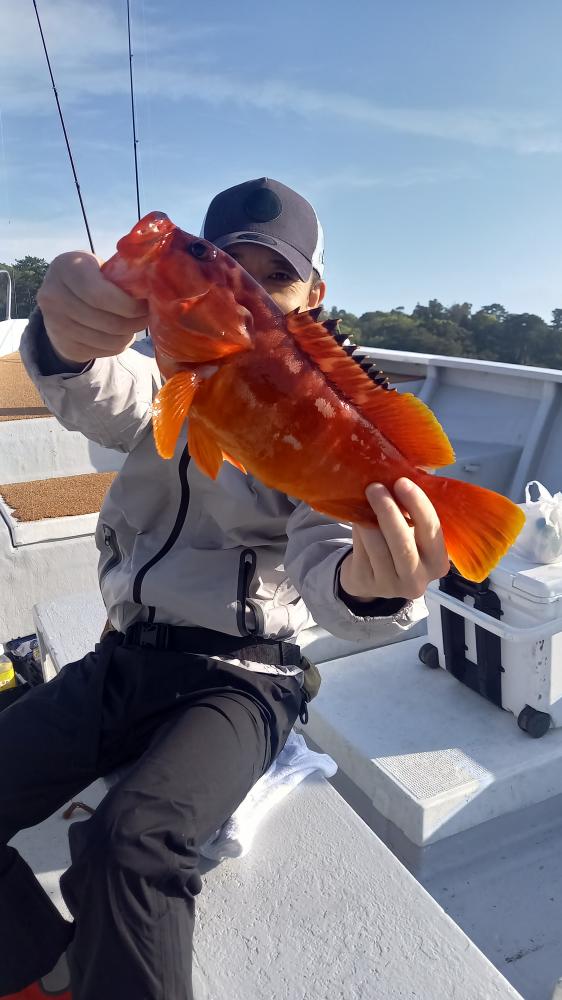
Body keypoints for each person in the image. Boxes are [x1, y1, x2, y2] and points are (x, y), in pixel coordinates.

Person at [0, 178, 449, 999]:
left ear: (315, 296)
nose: (248, 293)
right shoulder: (168, 383)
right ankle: (42, 966)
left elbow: (328, 552)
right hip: (124, 654)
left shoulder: (316, 413)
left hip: (244, 678)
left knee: (130, 846)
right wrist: (65, 335)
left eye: (275, 278)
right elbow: (99, 387)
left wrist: (373, 586)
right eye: (228, 268)